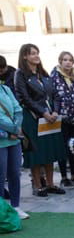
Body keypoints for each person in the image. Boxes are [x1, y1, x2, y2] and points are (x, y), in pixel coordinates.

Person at [13, 44, 66, 198]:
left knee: (49, 150)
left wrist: (55, 111)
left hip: (50, 117)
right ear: (25, 56)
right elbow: (25, 98)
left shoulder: (43, 74)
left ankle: (50, 183)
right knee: (36, 152)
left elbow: (55, 95)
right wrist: (43, 112)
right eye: (32, 53)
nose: (36, 56)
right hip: (32, 117)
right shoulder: (20, 74)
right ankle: (37, 185)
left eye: (37, 53)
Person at [50, 51, 74, 188]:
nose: (68, 62)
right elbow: (54, 96)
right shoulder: (55, 76)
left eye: (70, 60)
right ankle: (64, 176)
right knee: (62, 147)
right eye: (65, 60)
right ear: (60, 61)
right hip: (62, 118)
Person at [0, 75, 26, 219]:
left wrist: (16, 127)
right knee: (0, 175)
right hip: (3, 139)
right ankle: (1, 209)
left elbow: (17, 109)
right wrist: (10, 132)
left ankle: (16, 206)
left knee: (15, 173)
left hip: (14, 139)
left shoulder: (5, 89)